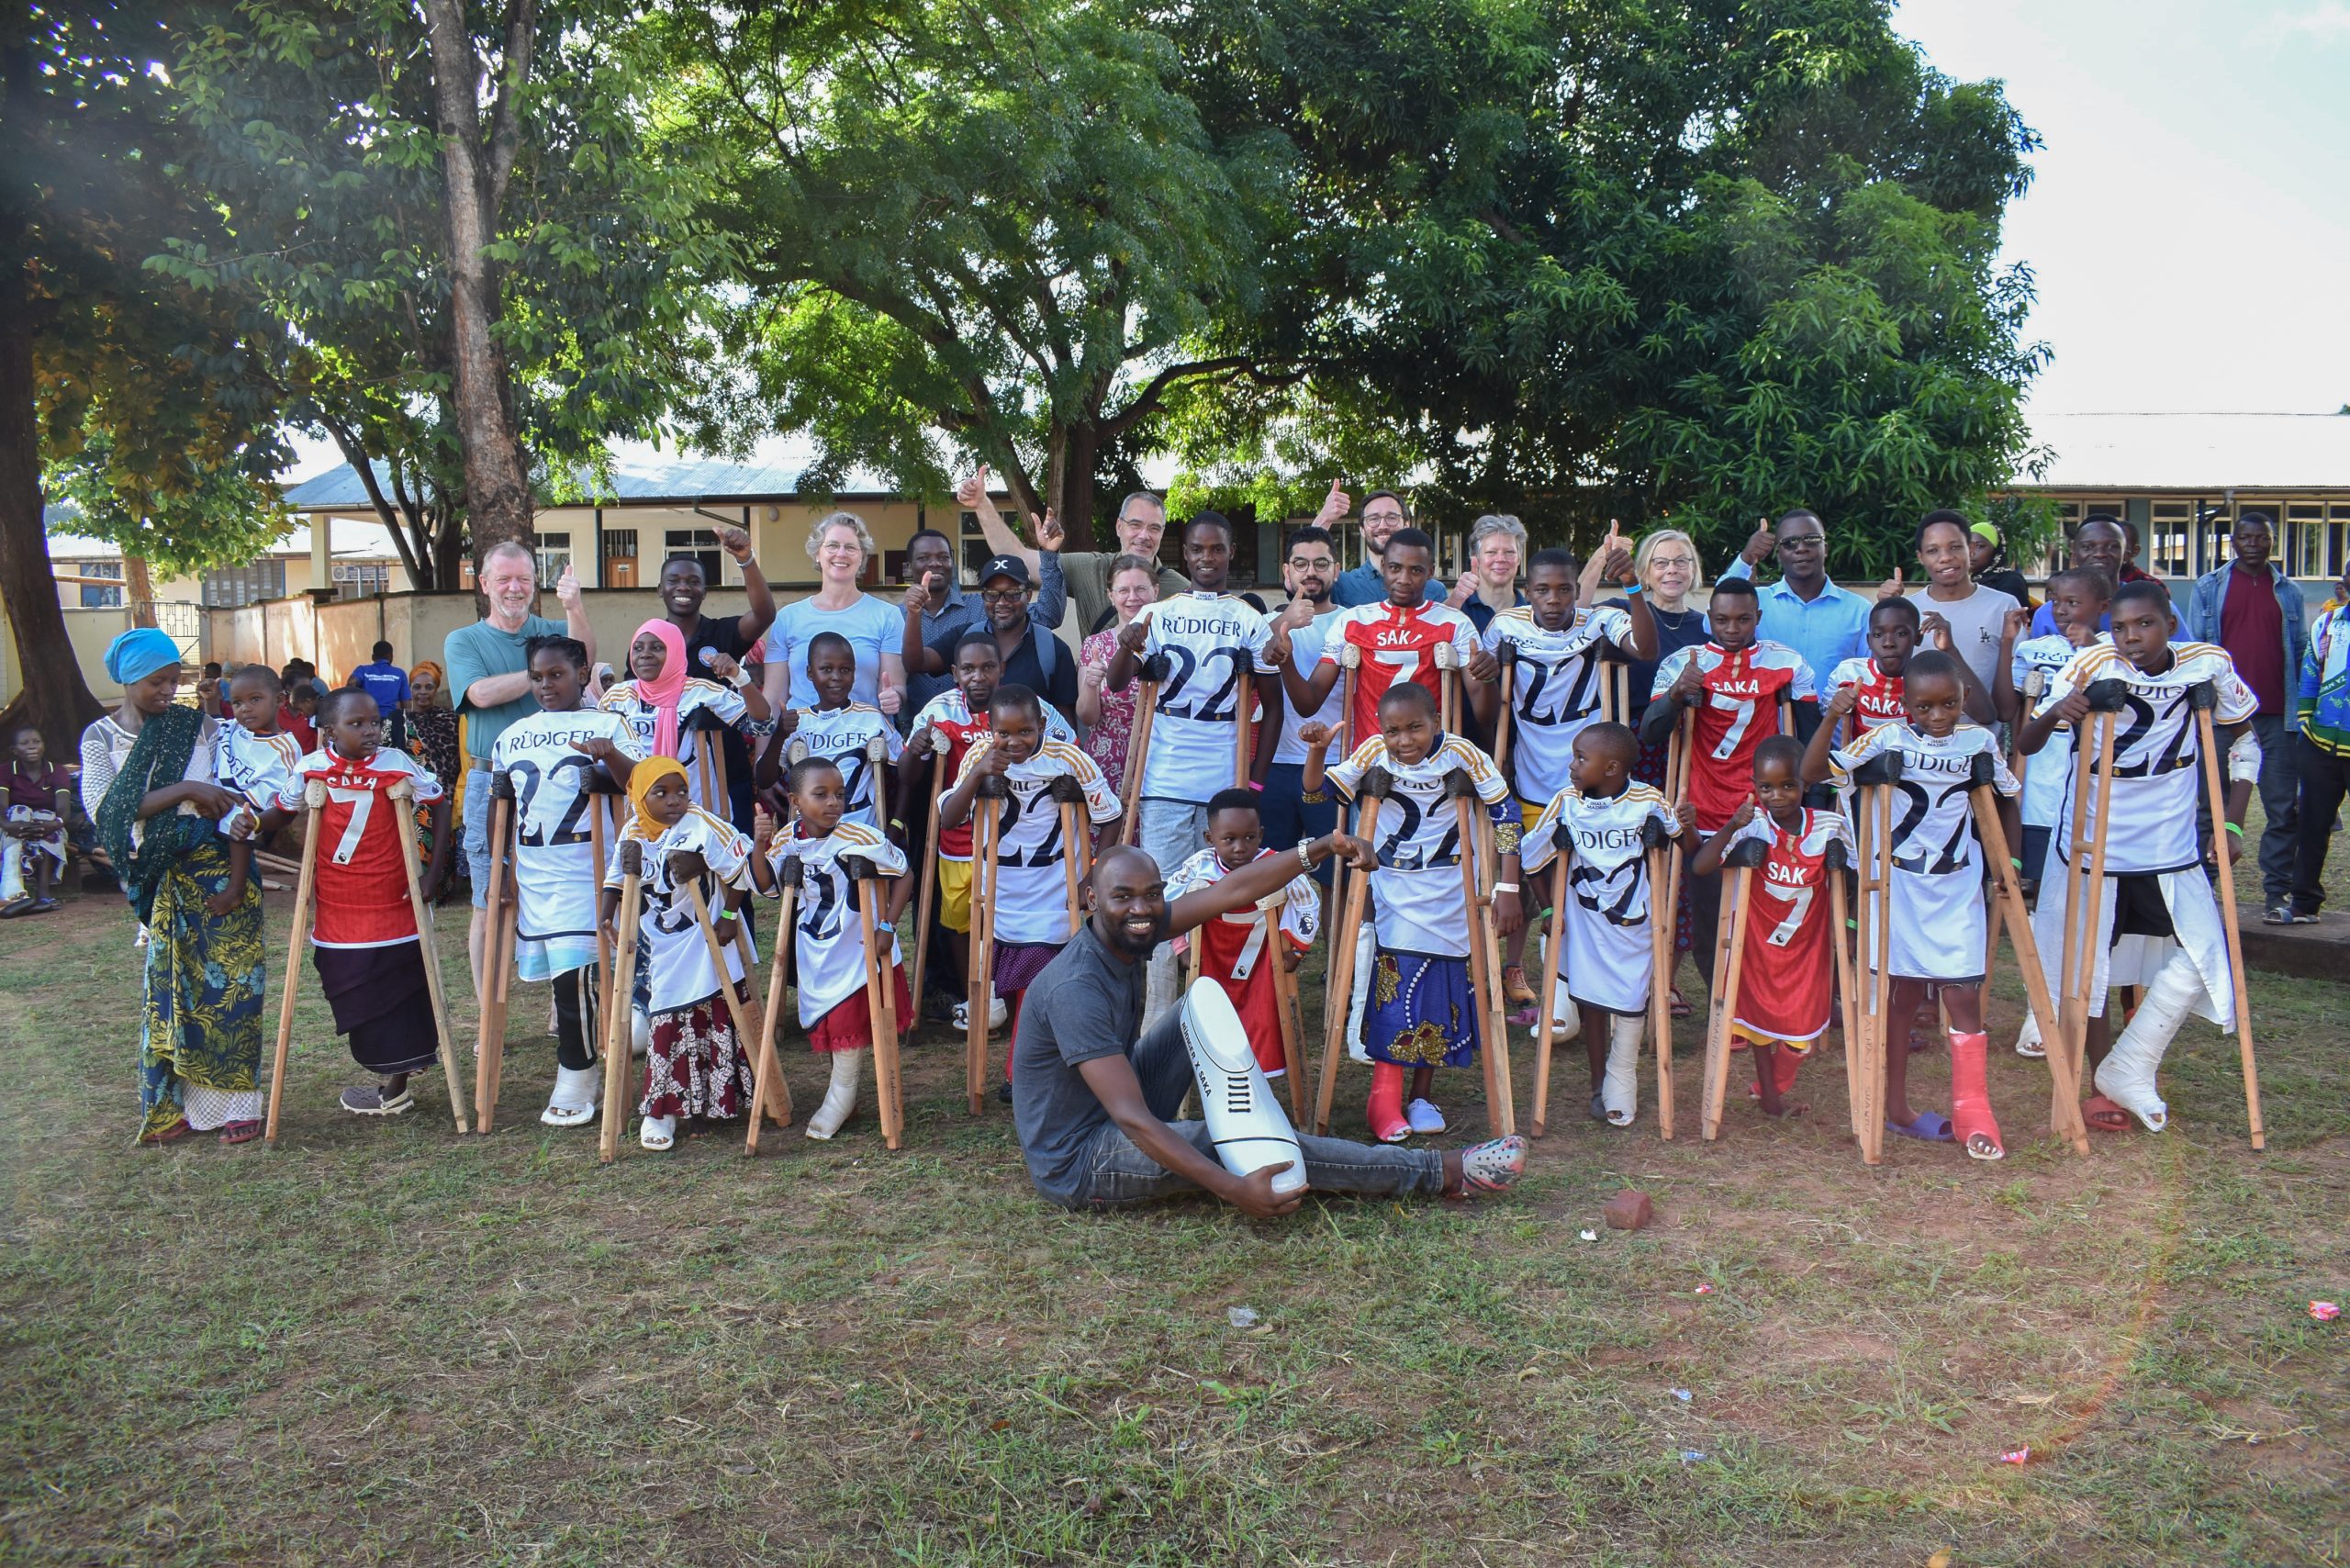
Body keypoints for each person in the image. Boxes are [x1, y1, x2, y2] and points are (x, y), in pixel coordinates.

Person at [1011, 836, 1528, 1213]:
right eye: (1123, 896)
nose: (1142, 908)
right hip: (1078, 1162)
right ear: (1092, 900)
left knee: (1197, 1006)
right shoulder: (1074, 987)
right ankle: (1442, 1174)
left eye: (1152, 894)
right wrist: (1231, 1186)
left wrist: (1321, 847)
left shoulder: (1131, 930)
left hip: (1112, 1114)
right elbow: (1132, 1118)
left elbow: (1235, 890)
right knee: (1245, 1145)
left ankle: (1250, 1123)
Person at [2017, 581, 2256, 1136]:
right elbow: (2027, 742)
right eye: (2122, 627)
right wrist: (2061, 710)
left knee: (2205, 952)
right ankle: (2104, 1074)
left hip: (2169, 837)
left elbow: (2245, 742)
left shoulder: (2207, 664)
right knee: (2091, 958)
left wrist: (2233, 820)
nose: (2132, 638)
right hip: (2098, 830)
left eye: (2145, 625)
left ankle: (2133, 1063)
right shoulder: (2092, 661)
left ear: (2170, 623)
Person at [1804, 651, 2020, 1159]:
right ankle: (1895, 1107)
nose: (1939, 716)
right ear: (1905, 706)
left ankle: (1973, 1110)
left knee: (1963, 993)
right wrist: (1835, 715)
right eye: (1925, 707)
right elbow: (1813, 772)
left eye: (1949, 704)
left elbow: (2007, 799)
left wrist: (2008, 867)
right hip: (1895, 886)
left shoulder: (1978, 742)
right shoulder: (1885, 737)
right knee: (1898, 995)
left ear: (1964, 698)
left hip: (1955, 885)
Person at [1303, 682, 1521, 1142]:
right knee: (1396, 990)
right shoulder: (1372, 752)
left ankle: (1421, 1095)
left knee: (1441, 994)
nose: (1404, 741)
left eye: (1416, 728)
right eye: (1394, 731)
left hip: (1451, 887)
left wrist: (1507, 886)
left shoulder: (1463, 753)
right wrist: (1318, 754)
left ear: (1436, 722)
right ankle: (1383, 1099)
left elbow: (1506, 815)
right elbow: (1320, 795)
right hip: (1395, 887)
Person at [83, 631, 267, 1144]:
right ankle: (174, 1109)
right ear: (125, 681)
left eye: (174, 680)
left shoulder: (200, 725)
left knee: (233, 989)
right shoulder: (100, 738)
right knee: (173, 993)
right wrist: (188, 788)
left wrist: (230, 804)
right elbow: (109, 811)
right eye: (156, 682)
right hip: (159, 875)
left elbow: (239, 788)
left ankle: (237, 1106)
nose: (169, 691)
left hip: (220, 868)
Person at [1105, 512, 1284, 1022]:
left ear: (1231, 554)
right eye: (1198, 550)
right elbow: (1119, 683)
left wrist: (1255, 781)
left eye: (1217, 549)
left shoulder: (1249, 618)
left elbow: (1274, 705)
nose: (1207, 558)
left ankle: (1217, 1008)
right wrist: (1129, 647)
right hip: (1163, 780)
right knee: (1158, 899)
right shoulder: (1160, 613)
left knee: (1221, 900)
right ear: (1184, 555)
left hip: (1222, 785)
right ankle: (1159, 1020)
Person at [251, 689, 452, 1118]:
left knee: (402, 994)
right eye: (356, 724)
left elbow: (438, 802)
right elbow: (283, 812)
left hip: (395, 902)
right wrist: (248, 823)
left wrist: (432, 874)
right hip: (339, 908)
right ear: (329, 730)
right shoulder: (311, 768)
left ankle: (396, 1086)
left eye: (375, 722)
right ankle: (387, 1076)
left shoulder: (397, 763)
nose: (370, 731)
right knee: (352, 991)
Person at [1481, 536, 1654, 1020]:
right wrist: (1482, 671)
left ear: (1578, 589)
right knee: (1523, 878)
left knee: (1574, 889)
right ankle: (1521, 971)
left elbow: (1645, 647)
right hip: (1529, 783)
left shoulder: (1599, 619)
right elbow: (1483, 678)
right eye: (1542, 590)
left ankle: (1570, 993)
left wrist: (1632, 586)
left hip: (1589, 785)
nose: (1553, 601)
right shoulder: (1505, 626)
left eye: (1563, 590)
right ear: (1526, 591)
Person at [488, 635, 642, 1127]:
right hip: (537, 873)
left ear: (582, 674)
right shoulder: (512, 734)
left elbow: (644, 781)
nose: (545, 685)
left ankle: (577, 1073)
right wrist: (502, 868)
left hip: (590, 871)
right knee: (564, 979)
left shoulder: (610, 722)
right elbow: (502, 804)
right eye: (537, 676)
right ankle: (596, 1053)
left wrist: (610, 763)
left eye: (556, 675)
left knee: (579, 978)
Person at [940, 683, 1122, 1091]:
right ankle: (1033, 1068)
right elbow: (949, 817)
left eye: (1025, 731)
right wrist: (979, 775)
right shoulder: (979, 756)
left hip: (1056, 889)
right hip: (1003, 892)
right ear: (990, 728)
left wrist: (1092, 874)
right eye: (1004, 733)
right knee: (1022, 984)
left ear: (1042, 725)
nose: (1014, 741)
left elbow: (1111, 815)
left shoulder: (1069, 758)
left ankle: (1022, 1072)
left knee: (1044, 981)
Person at [1639, 577, 1818, 984]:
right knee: (1709, 915)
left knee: (1763, 911)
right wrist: (1677, 695)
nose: (1732, 630)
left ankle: (1761, 999)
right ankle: (1724, 1002)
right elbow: (1649, 733)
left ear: (1759, 617)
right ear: (1710, 620)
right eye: (1722, 620)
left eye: (1742, 620)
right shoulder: (1684, 662)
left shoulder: (1787, 663)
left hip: (1765, 806)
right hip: (1702, 805)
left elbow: (1806, 737)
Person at [901, 633, 1080, 1033]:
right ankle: (976, 995)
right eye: (967, 669)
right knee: (961, 920)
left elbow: (1068, 748)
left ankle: (1009, 995)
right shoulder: (939, 709)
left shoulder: (1028, 706)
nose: (977, 677)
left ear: (1002, 669)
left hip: (1012, 841)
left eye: (987, 667)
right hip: (958, 839)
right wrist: (916, 747)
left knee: (1003, 921)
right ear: (954, 674)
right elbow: (909, 776)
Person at [445, 543, 595, 1009]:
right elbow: (482, 694)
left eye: (524, 579)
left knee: (562, 894)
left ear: (536, 583)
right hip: (493, 783)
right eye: (504, 579)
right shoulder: (463, 640)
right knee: (490, 900)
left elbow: (585, 664)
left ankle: (564, 1009)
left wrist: (574, 607)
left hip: (560, 785)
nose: (515, 588)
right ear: (484, 583)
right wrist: (548, 675)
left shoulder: (554, 628)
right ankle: (491, 1016)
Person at [1519, 722, 1682, 1126]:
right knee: (1590, 1000)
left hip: (1636, 921)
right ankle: (1598, 1084)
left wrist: (1664, 835)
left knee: (1630, 1001)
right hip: (1585, 919)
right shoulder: (1566, 802)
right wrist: (1548, 909)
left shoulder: (1648, 800)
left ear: (1611, 768)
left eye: (1580, 758)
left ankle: (1620, 1075)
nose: (1571, 765)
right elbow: (1529, 856)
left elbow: (1685, 842)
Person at [599, 756, 758, 1150]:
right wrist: (606, 916)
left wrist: (728, 914)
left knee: (716, 1015)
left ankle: (712, 1105)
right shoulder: (633, 830)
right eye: (661, 792)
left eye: (681, 791)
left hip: (707, 939)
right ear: (639, 796)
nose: (674, 800)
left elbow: (742, 868)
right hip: (662, 945)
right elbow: (617, 880)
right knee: (667, 1020)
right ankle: (663, 1110)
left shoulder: (702, 823)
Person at [1686, 737, 1850, 1120]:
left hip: (1806, 949)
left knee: (1801, 1037)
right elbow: (1702, 866)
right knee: (1759, 1028)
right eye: (1766, 787)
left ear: (1805, 783)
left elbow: (1856, 879)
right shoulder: (1753, 824)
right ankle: (1772, 1101)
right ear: (1755, 786)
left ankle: (1774, 1082)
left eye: (1788, 785)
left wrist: (1841, 865)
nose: (1777, 796)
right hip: (1758, 945)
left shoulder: (1829, 826)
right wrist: (1731, 829)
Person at [759, 754, 915, 1139]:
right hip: (816, 945)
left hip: (858, 943)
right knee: (828, 1018)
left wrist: (887, 925)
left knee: (849, 1019)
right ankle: (843, 1092)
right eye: (821, 794)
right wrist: (759, 843)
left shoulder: (861, 837)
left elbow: (904, 873)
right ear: (796, 801)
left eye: (840, 794)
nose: (833, 803)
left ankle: (841, 1097)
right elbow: (766, 887)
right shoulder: (785, 841)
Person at [1269, 527, 1495, 760]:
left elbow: (1485, 716)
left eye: (1416, 570)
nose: (1404, 579)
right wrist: (1287, 662)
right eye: (1395, 568)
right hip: (1370, 765)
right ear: (1384, 566)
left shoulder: (1454, 623)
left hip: (1432, 765)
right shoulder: (1353, 621)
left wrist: (1487, 678)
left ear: (1431, 572)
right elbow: (1308, 703)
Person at [2183, 512, 2305, 923]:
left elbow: (2300, 650)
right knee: (2209, 805)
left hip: (2275, 717)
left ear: (2273, 542)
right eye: (2245, 537)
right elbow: (2199, 652)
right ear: (2233, 542)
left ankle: (2276, 894)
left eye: (2262, 537)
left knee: (2281, 807)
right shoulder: (2209, 587)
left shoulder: (2287, 591)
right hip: (2221, 718)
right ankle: (2205, 888)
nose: (2253, 543)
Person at [1162, 788, 1322, 1082]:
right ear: (1210, 839)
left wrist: (1297, 949)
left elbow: (1306, 902)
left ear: (1260, 835)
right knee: (1215, 1018)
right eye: (1229, 839)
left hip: (1263, 958)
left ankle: (1259, 1086)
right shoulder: (1200, 866)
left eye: (1249, 838)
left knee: (1261, 1020)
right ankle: (1220, 1079)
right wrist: (1181, 945)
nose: (1240, 847)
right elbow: (1170, 904)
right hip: (1212, 956)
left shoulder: (1275, 864)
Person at [1996, 567, 2112, 895]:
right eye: (2054, 600)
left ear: (2103, 607)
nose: (2060, 609)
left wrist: (2091, 650)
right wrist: (2008, 644)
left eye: (2072, 602)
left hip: (2091, 770)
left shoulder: (2117, 651)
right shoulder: (2035, 649)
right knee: (2043, 873)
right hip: (2040, 772)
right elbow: (2007, 708)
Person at [655, 523, 777, 831]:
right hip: (669, 778)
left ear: (705, 591)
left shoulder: (721, 633)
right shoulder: (650, 643)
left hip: (725, 771)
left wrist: (746, 559)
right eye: (674, 580)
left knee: (733, 859)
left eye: (693, 581)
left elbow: (764, 615)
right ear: (660, 589)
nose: (684, 587)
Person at [969, 469, 1188, 634]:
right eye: (1135, 525)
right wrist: (981, 504)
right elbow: (1018, 558)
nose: (1144, 535)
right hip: (1097, 687)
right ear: (1119, 527)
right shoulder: (1090, 568)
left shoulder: (1182, 590)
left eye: (1154, 528)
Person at [898, 513, 1068, 718]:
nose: (1002, 602)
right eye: (993, 594)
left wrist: (1049, 555)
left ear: (1027, 595)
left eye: (1013, 594)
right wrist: (914, 614)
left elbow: (1048, 613)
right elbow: (915, 663)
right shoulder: (966, 633)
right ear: (984, 595)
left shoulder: (1048, 647)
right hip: (954, 739)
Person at [1259, 527, 1348, 916]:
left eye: (1321, 564)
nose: (1311, 572)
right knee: (1269, 874)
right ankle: (1270, 969)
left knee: (1335, 876)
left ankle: (1336, 972)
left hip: (1334, 766)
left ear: (1337, 570)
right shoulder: (1262, 620)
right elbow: (1256, 657)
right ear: (1286, 571)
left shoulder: (1352, 622)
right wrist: (1284, 624)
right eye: (1301, 564)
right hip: (1275, 764)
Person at [600, 619, 769, 812]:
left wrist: (739, 677)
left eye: (657, 647)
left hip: (697, 809)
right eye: (638, 648)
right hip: (638, 812)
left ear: (675, 651)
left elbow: (762, 725)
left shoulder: (698, 690)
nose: (645, 654)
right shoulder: (617, 696)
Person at [759, 511, 911, 714]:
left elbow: (895, 686)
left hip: (864, 739)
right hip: (801, 739)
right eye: (832, 545)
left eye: (850, 547)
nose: (841, 554)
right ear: (817, 553)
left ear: (862, 557)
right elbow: (773, 698)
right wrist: (765, 746)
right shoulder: (787, 618)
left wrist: (895, 698)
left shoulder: (888, 616)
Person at [762, 632, 902, 834]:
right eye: (826, 669)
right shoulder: (798, 721)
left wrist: (896, 825)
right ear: (810, 673)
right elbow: (765, 779)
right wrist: (779, 736)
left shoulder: (871, 718)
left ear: (854, 674)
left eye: (845, 670)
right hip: (809, 832)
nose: (836, 677)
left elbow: (905, 771)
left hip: (860, 831)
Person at [1719, 510, 1874, 689]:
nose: (1801, 548)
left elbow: (1871, 676)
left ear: (1826, 549)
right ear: (1778, 555)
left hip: (1833, 716)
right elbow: (1710, 623)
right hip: (1768, 717)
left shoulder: (1859, 610)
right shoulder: (1756, 603)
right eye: (1790, 543)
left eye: (1811, 539)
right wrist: (1746, 559)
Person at [210, 666, 306, 913]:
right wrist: (210, 700)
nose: (245, 708)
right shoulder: (233, 727)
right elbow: (213, 726)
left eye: (255, 699)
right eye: (237, 702)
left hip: (242, 805)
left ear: (279, 700)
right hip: (209, 793)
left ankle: (235, 889)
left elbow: (274, 800)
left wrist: (229, 801)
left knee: (242, 819)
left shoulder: (284, 748)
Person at [2287, 561, 2350, 922]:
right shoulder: (2327, 623)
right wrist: (2305, 726)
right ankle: (2303, 904)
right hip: (2320, 742)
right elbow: (2310, 674)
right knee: (2312, 826)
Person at [1906, 510, 2020, 701]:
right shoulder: (1908, 611)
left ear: (1970, 548)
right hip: (1917, 731)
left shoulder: (2004, 606)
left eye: (1955, 547)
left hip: (1986, 729)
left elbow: (2018, 684)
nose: (1945, 558)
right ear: (1920, 557)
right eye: (1933, 550)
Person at [1076, 555, 1158, 796]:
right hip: (1107, 760)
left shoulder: (1170, 642)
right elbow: (1088, 717)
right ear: (1111, 596)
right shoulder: (1095, 645)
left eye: (1140, 589)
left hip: (1159, 762)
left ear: (1155, 591)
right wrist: (1091, 684)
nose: (1132, 597)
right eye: (1123, 590)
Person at [2, 724, 101, 914]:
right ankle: (12, 889)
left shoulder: (56, 771)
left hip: (47, 825)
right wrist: (9, 825)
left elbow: (63, 811)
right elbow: (1, 807)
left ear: (43, 746)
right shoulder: (5, 771)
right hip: (11, 825)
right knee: (20, 810)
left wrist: (52, 825)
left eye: (36, 742)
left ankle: (42, 893)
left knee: (47, 820)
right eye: (24, 743)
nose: (31, 746)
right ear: (15, 750)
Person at [1325, 484, 1448, 608]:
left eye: (1392, 518)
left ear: (1406, 525)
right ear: (1362, 529)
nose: (1383, 526)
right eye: (1373, 519)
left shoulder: (1434, 590)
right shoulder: (1341, 584)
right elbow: (1306, 567)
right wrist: (1324, 518)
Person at [2028, 517, 2147, 637]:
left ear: (2126, 555)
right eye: (2087, 547)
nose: (2099, 554)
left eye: (2112, 546)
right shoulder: (2047, 614)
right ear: (2074, 555)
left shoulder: (2148, 605)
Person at [1448, 513, 1528, 633]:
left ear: (1519, 559)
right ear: (1476, 558)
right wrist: (1454, 601)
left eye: (1509, 552)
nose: (1500, 559)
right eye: (1491, 552)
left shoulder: (1532, 614)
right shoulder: (1458, 608)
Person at [351, 641, 411, 747]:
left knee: (368, 752)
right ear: (391, 657)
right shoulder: (399, 674)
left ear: (373, 657)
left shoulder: (363, 670)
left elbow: (351, 683)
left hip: (367, 721)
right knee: (389, 754)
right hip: (391, 722)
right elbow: (407, 704)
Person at [1968, 521, 2032, 609]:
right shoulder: (1965, 581)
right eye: (1967, 546)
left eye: (1980, 546)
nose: (1971, 553)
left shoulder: (2011, 582)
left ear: (1996, 551)